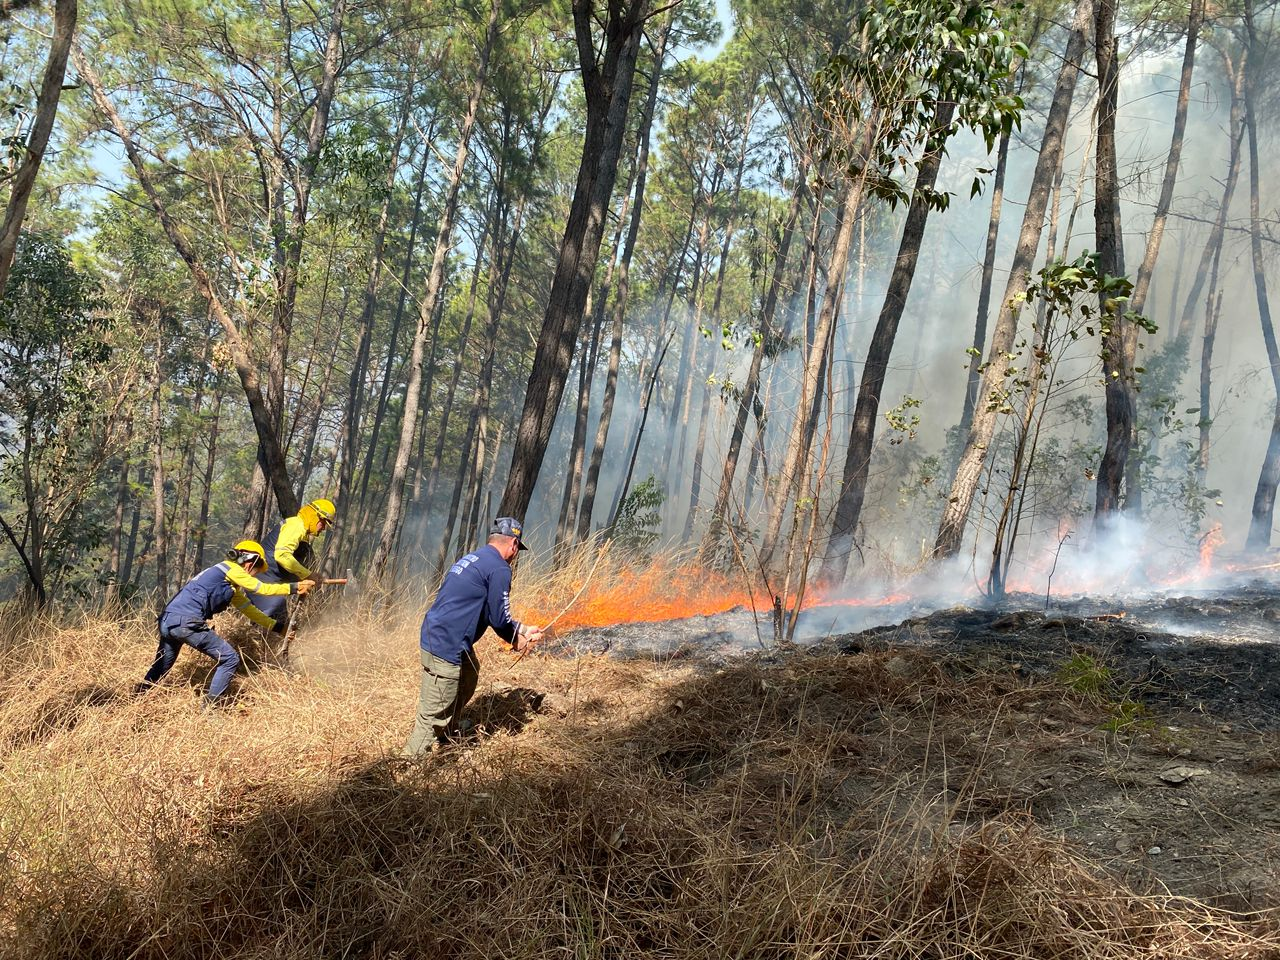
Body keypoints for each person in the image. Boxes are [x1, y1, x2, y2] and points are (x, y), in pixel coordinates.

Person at [405, 517, 543, 754]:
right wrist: (516, 640)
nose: (515, 555)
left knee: (469, 673)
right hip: (447, 644)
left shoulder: (475, 558)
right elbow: (499, 619)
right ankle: (407, 766)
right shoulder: (500, 568)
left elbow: (490, 610)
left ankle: (449, 729)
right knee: (432, 715)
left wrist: (521, 628)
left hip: (436, 633)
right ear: (512, 543)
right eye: (517, 549)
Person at [139, 540, 316, 704]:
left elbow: (251, 612)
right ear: (250, 561)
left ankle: (138, 697)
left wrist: (279, 628)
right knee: (230, 658)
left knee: (161, 667)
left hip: (168, 622)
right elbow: (261, 588)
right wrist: (295, 587)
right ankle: (210, 709)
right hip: (186, 622)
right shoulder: (231, 569)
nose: (255, 574)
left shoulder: (227, 581)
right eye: (257, 569)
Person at [251, 497, 336, 628]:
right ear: (314, 516)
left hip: (268, 578)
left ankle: (262, 643)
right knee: (274, 613)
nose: (323, 528)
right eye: (323, 523)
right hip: (261, 577)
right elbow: (282, 556)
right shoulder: (296, 526)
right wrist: (307, 575)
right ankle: (254, 642)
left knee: (279, 621)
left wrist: (308, 578)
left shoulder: (301, 534)